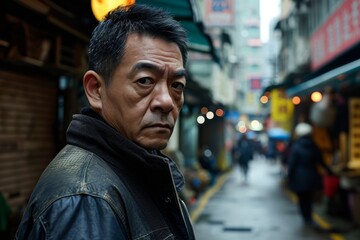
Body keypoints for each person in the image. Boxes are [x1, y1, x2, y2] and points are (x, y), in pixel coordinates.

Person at [15, 4, 195, 240]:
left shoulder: (138, 172)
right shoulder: (85, 198)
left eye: (176, 85)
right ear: (96, 89)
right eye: (145, 81)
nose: (166, 101)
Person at [287, 122, 333, 228]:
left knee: (302, 199)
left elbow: (292, 164)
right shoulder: (314, 146)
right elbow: (321, 162)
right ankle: (309, 217)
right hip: (312, 176)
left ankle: (305, 217)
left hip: (299, 177)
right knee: (309, 199)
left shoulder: (296, 146)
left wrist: (290, 177)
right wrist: (330, 171)